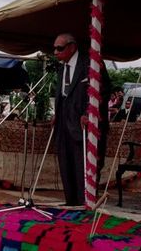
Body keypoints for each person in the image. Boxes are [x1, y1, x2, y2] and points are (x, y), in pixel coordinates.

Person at [52, 33, 111, 206]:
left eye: (60, 48)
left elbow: (104, 90)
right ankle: (70, 202)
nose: (55, 52)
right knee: (66, 162)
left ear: (72, 46)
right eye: (54, 48)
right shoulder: (62, 67)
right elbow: (64, 94)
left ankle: (84, 202)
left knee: (82, 165)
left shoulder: (91, 63)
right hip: (64, 122)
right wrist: (58, 113)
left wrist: (91, 112)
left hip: (83, 122)